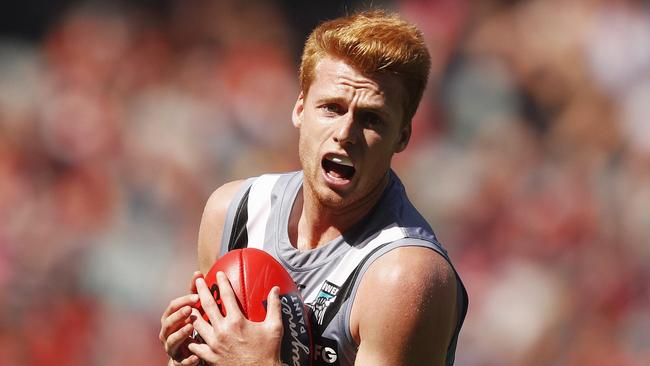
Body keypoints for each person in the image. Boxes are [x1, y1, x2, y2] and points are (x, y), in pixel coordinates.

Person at [159, 10, 468, 366]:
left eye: (371, 118)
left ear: (402, 136)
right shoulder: (233, 213)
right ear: (300, 109)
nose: (345, 133)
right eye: (332, 108)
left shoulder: (404, 278)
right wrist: (188, 357)